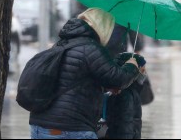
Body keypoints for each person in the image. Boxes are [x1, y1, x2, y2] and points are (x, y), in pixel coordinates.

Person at [30, 8, 141, 139]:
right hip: (72, 128)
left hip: (40, 127)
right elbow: (119, 79)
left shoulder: (60, 45)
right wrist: (132, 65)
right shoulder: (91, 48)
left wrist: (106, 87)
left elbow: (75, 79)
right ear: (103, 27)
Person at [106, 53, 147, 139]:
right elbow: (125, 128)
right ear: (135, 70)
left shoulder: (133, 92)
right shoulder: (126, 95)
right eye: (142, 69)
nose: (144, 72)